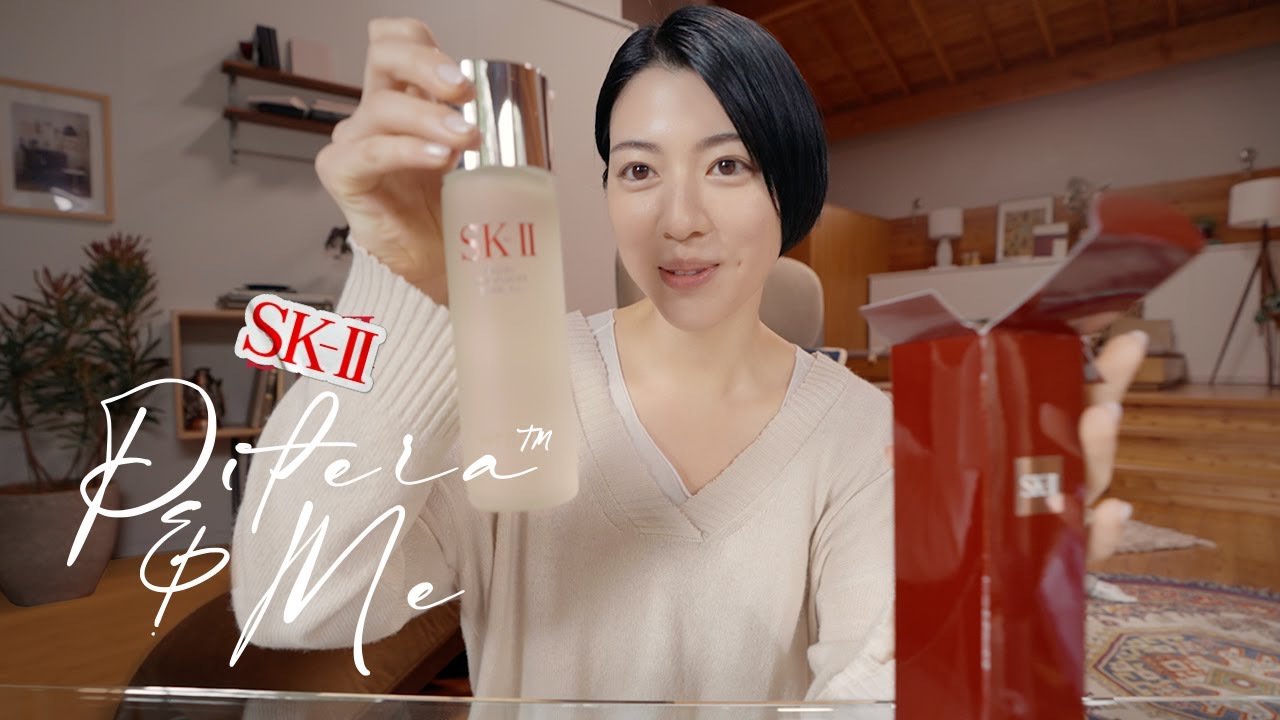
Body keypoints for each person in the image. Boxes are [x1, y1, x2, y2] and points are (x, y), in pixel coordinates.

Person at [230, 6, 1141, 703]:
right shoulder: (514, 389)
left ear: (788, 186)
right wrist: (401, 283)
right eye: (638, 169)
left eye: (728, 164)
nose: (680, 219)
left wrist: (961, 632)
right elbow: (290, 601)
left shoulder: (864, 434)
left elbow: (871, 692)